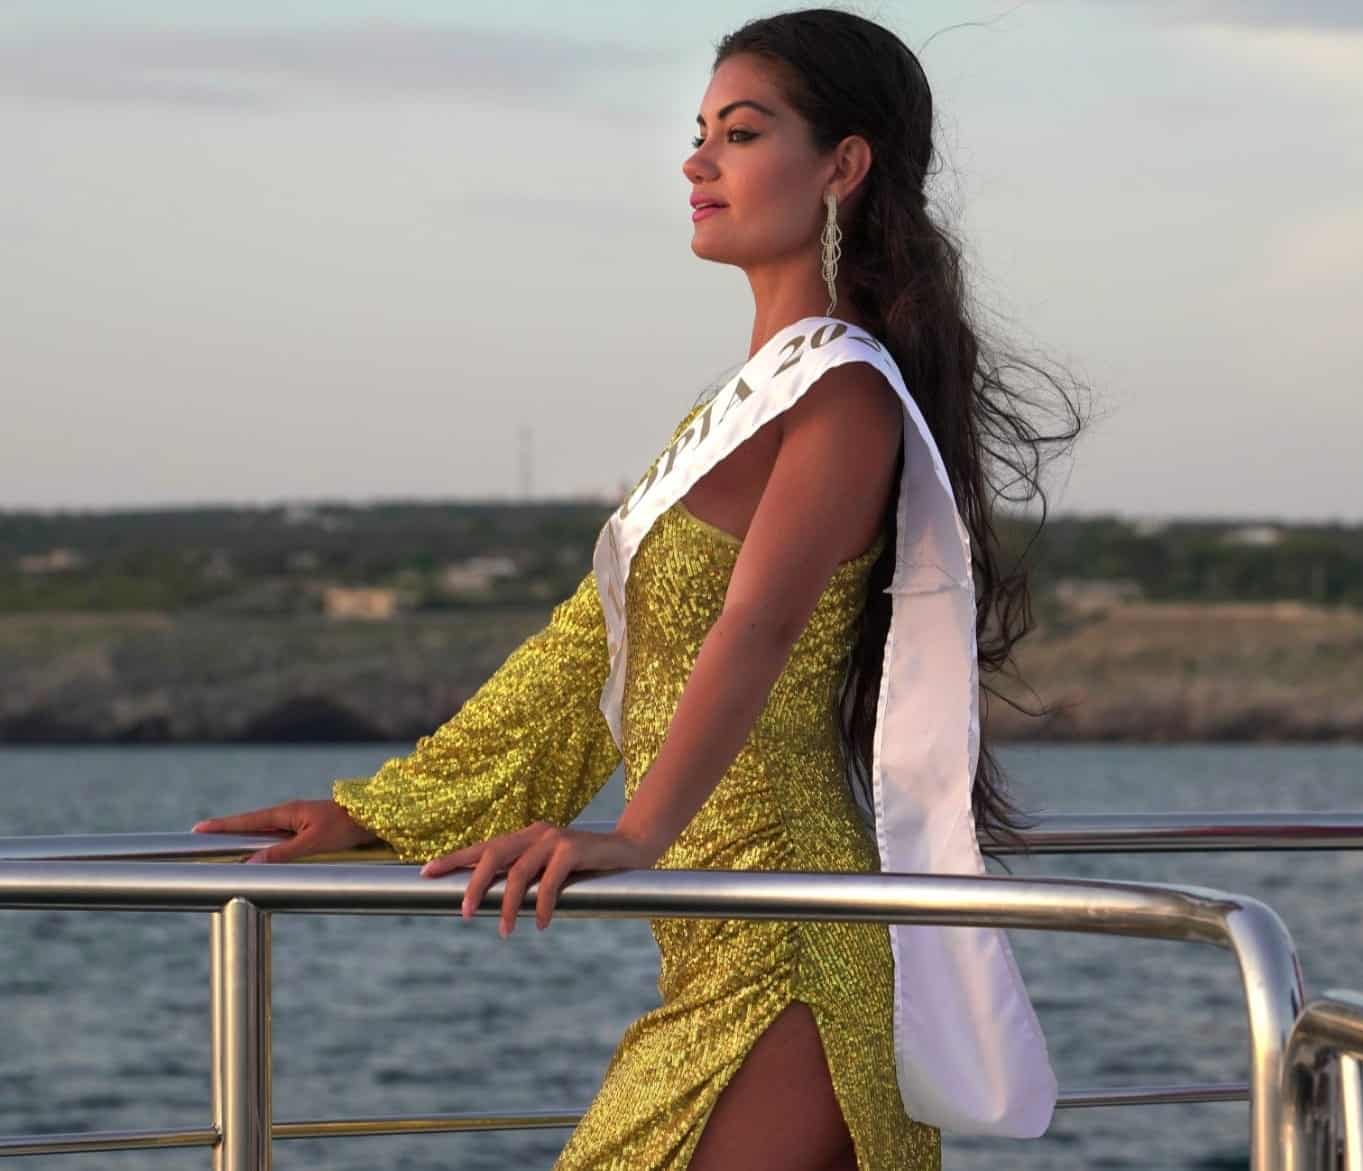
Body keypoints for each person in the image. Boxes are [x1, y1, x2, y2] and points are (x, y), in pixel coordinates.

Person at [194, 9, 1084, 1169]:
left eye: (742, 134)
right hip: (713, 941)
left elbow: (757, 626)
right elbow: (583, 657)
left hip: (794, 945)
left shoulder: (842, 396)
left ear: (843, 167)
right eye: (699, 133)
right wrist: (384, 812)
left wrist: (636, 829)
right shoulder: (742, 407)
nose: (698, 163)